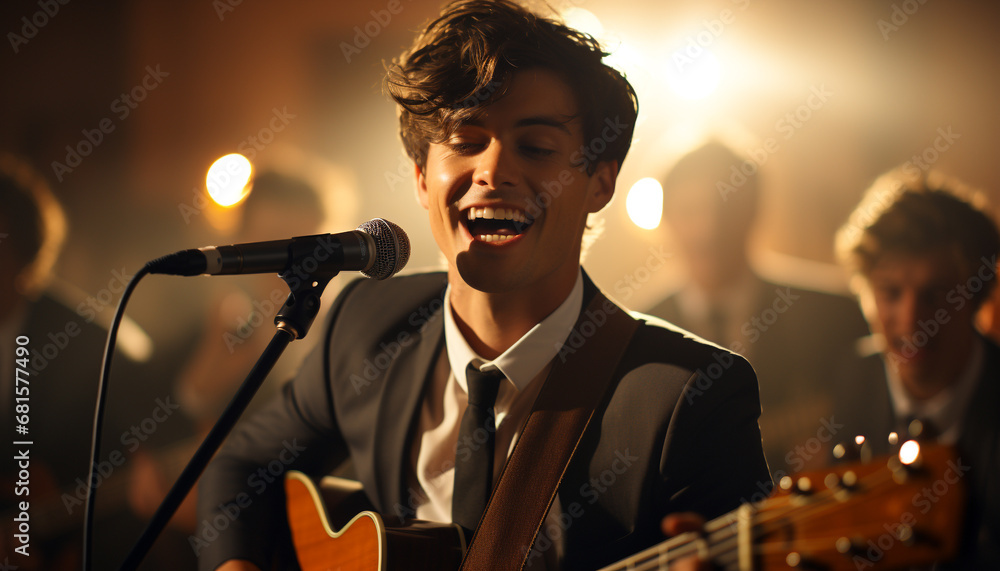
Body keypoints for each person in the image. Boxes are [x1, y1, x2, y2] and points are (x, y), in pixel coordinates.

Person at [196, 2, 770, 570]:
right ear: (421, 177)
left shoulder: (688, 397)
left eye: (538, 148)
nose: (494, 171)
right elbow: (240, 468)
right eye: (466, 142)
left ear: (600, 182)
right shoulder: (366, 324)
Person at [646, 141, 870, 480]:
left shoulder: (834, 315)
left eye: (725, 208)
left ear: (755, 210)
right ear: (666, 218)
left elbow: (872, 416)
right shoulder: (632, 337)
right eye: (691, 211)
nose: (709, 230)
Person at [833, 167, 1000, 568]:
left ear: (976, 298)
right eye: (891, 292)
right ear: (866, 296)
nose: (912, 321)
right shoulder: (839, 386)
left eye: (936, 294)